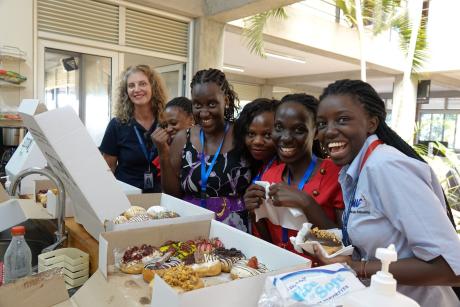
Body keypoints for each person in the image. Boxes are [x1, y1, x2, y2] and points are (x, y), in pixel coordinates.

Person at [314, 79, 460, 307]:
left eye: (342, 119)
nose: (329, 131)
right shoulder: (356, 169)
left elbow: (451, 268)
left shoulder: (385, 167)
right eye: (322, 123)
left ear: (371, 123)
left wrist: (359, 268)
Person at [244, 94, 344, 255]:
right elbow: (269, 243)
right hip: (280, 270)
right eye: (278, 128)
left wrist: (306, 203)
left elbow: (340, 247)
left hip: (320, 275)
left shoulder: (336, 174)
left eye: (298, 130)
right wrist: (254, 211)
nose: (285, 137)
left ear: (317, 132)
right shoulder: (270, 175)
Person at [153, 68, 251, 232]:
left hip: (234, 227)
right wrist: (163, 152)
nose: (204, 112)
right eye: (197, 105)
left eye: (211, 104)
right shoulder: (183, 138)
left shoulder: (241, 135)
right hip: (191, 224)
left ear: (225, 100)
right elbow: (172, 194)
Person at [100, 64, 167, 193]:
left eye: (142, 84)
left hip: (160, 198)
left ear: (153, 87)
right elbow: (108, 169)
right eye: (131, 85)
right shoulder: (117, 125)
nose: (137, 89)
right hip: (127, 197)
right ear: (126, 92)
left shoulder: (166, 122)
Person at [234, 98, 280, 239]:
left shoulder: (285, 172)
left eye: (267, 135)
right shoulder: (254, 165)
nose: (258, 141)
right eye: (251, 134)